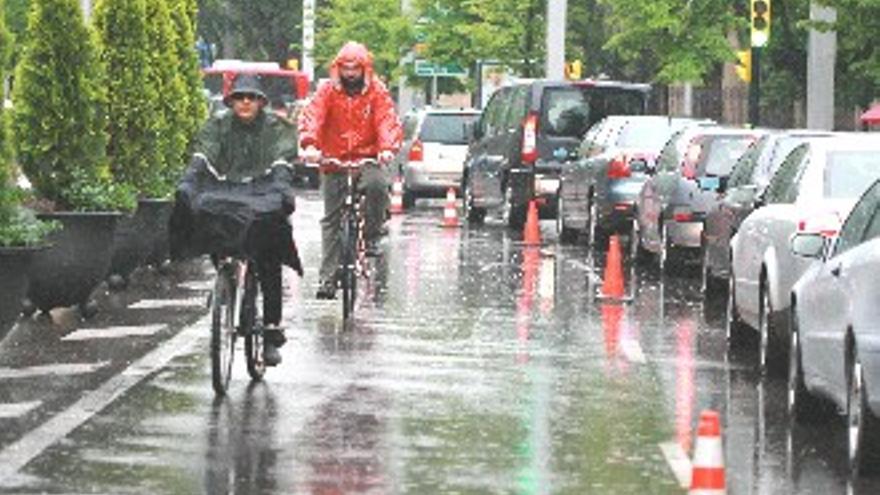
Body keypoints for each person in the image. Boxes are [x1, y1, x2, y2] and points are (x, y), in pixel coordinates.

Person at [192, 73, 299, 366]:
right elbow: (206, 152)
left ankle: (271, 330)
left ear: (261, 101)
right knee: (211, 227)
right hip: (230, 195)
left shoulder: (276, 127)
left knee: (270, 258)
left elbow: (282, 155)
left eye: (251, 97)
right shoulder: (218, 125)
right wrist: (193, 176)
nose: (246, 102)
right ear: (231, 100)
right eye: (240, 97)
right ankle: (226, 284)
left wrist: (280, 183)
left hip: (265, 195)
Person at [298, 41, 403, 300]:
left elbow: (386, 120)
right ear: (338, 68)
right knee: (332, 219)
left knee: (378, 186)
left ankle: (372, 235)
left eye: (355, 68)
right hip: (333, 159)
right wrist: (310, 144)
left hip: (368, 157)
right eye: (345, 68)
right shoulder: (326, 92)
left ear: (365, 68)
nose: (350, 74)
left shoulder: (377, 93)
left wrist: (387, 148)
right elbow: (313, 116)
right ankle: (327, 278)